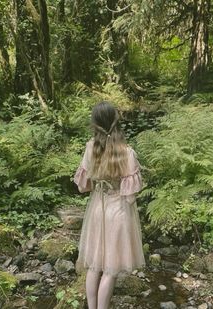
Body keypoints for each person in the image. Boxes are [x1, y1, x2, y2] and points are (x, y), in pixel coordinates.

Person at [74, 101, 145, 309]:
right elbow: (130, 195)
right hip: (118, 210)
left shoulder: (90, 148)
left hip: (97, 208)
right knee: (110, 269)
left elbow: (82, 187)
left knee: (94, 266)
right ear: (116, 121)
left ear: (95, 123)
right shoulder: (126, 152)